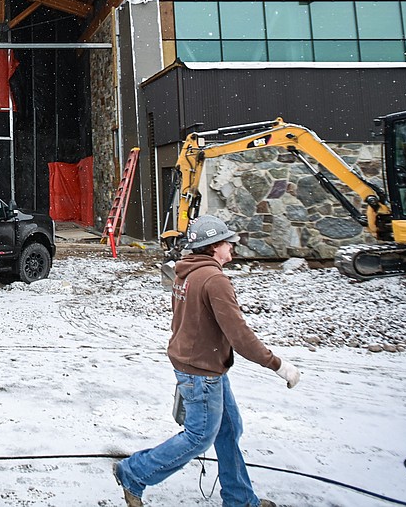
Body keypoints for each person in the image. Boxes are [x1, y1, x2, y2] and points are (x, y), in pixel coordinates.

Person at [112, 214, 300, 507]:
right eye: (228, 243)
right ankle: (134, 472)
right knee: (198, 437)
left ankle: (239, 499)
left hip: (199, 363)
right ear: (214, 246)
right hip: (201, 371)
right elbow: (239, 335)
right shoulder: (214, 279)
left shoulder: (186, 272)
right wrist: (277, 365)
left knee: (228, 430)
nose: (232, 248)